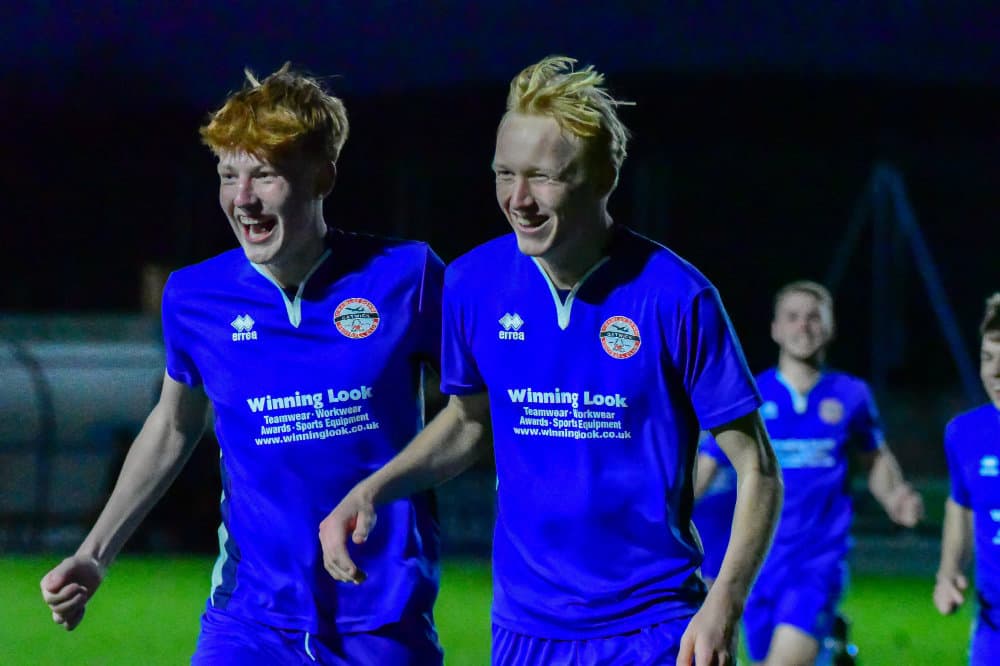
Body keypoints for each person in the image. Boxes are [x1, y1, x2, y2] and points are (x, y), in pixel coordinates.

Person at [319, 55, 783, 665]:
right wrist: (372, 490)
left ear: (603, 177)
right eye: (503, 174)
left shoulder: (676, 295)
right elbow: (468, 423)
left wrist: (724, 604)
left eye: (543, 177)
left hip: (654, 627)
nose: (519, 199)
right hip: (525, 630)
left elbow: (758, 470)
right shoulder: (473, 284)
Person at [39, 64, 445, 665]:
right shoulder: (193, 297)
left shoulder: (407, 277)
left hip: (381, 620)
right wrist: (95, 553)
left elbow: (474, 411)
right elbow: (173, 426)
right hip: (247, 620)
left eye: (265, 175)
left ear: (323, 176)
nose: (243, 198)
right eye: (229, 176)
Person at [744, 280, 923, 665]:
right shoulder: (751, 396)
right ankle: (831, 654)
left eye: (814, 317)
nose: (803, 326)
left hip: (818, 559)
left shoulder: (851, 394)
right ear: (775, 329)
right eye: (793, 317)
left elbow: (875, 458)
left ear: (829, 327)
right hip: (758, 562)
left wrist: (896, 497)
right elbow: (710, 464)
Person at [934, 292, 1000, 665]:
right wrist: (949, 573)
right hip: (992, 627)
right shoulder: (965, 433)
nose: (995, 372)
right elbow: (961, 505)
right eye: (988, 358)